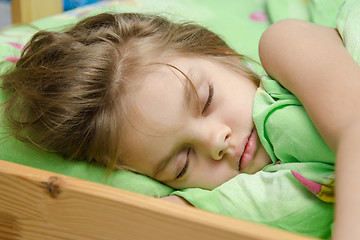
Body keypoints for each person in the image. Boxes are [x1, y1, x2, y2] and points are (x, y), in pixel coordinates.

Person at [0, 5, 358, 239]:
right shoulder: (250, 193)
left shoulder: (287, 44)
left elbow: (353, 126)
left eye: (207, 100)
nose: (217, 141)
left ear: (223, 54)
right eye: (184, 161)